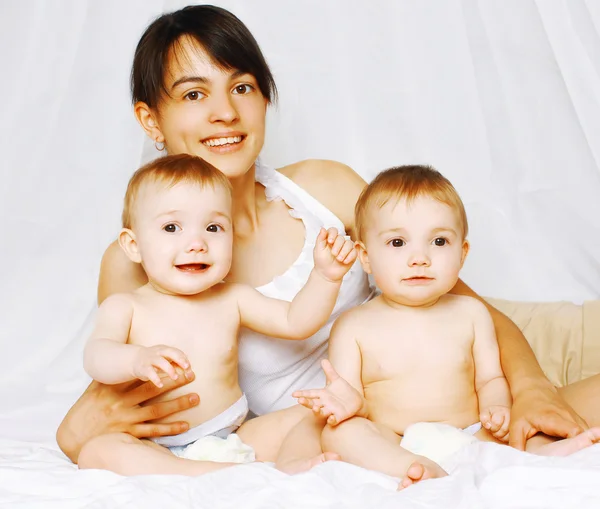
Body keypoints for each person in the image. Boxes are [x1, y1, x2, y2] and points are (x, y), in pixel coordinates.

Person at [56, 4, 600, 470]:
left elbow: (463, 299)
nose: (225, 112)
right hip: (406, 408)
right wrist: (83, 427)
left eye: (242, 86)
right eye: (194, 94)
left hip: (488, 344)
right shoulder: (139, 262)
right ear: (151, 120)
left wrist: (530, 387)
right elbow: (124, 401)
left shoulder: (322, 187)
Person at [292, 165, 600, 488]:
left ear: (462, 253)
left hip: (469, 432)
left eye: (439, 241)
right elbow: (355, 401)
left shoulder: (471, 313)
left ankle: (545, 454)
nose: (419, 257)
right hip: (395, 438)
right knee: (340, 432)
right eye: (397, 243)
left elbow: (491, 378)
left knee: (519, 426)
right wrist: (347, 402)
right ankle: (412, 467)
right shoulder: (352, 326)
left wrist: (497, 408)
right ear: (365, 257)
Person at [78, 153, 355, 475]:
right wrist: (135, 359)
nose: (196, 243)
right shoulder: (127, 305)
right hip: (154, 444)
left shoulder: (232, 297)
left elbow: (296, 322)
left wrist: (325, 277)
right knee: (98, 451)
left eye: (213, 227)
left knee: (311, 415)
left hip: (233, 436)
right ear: (133, 244)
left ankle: (289, 464)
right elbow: (96, 356)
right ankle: (202, 473)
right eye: (171, 227)